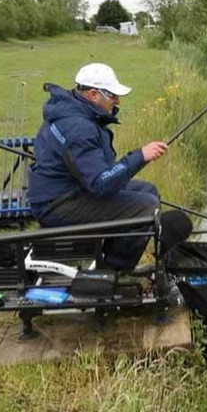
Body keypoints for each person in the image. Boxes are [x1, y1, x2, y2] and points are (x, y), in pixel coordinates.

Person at [28, 63, 170, 271]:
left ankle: (107, 259)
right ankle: (115, 272)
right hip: (57, 204)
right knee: (147, 208)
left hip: (69, 189)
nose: (117, 101)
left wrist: (138, 158)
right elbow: (101, 183)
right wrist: (140, 156)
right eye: (112, 95)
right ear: (94, 95)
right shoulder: (78, 128)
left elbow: (97, 174)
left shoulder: (70, 111)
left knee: (148, 191)